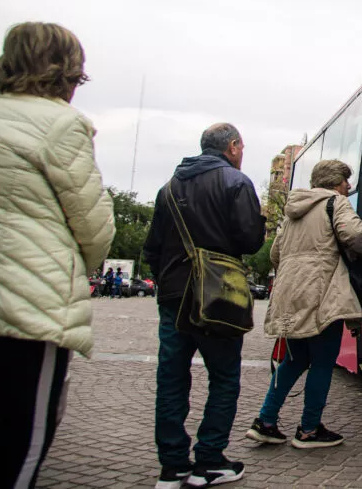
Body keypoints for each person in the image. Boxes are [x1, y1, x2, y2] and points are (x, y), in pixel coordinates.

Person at [0, 22, 116, 489]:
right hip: (28, 304)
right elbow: (95, 228)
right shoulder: (61, 123)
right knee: (24, 436)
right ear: (66, 73)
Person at [143, 123, 265, 488]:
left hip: (174, 295)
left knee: (171, 376)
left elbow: (152, 247)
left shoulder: (168, 188)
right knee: (224, 377)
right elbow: (249, 240)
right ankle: (209, 460)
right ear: (232, 146)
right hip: (218, 294)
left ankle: (172, 464)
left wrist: (170, 279)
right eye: (242, 147)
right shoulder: (236, 182)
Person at [245, 159, 362, 450]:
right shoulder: (335, 203)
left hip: (291, 293)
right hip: (323, 293)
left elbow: (275, 254)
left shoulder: (293, 210)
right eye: (345, 181)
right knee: (322, 361)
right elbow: (356, 236)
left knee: (294, 359)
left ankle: (266, 421)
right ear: (334, 183)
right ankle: (308, 429)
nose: (348, 187)